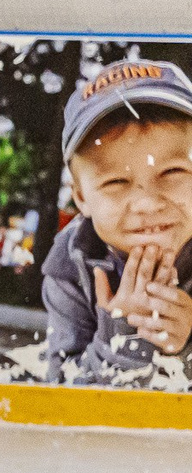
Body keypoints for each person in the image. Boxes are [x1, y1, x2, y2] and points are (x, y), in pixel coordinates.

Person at [41, 58, 192, 385]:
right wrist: (121, 339)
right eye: (116, 183)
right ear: (81, 198)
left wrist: (186, 347)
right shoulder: (69, 270)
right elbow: (64, 397)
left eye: (173, 172)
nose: (148, 202)